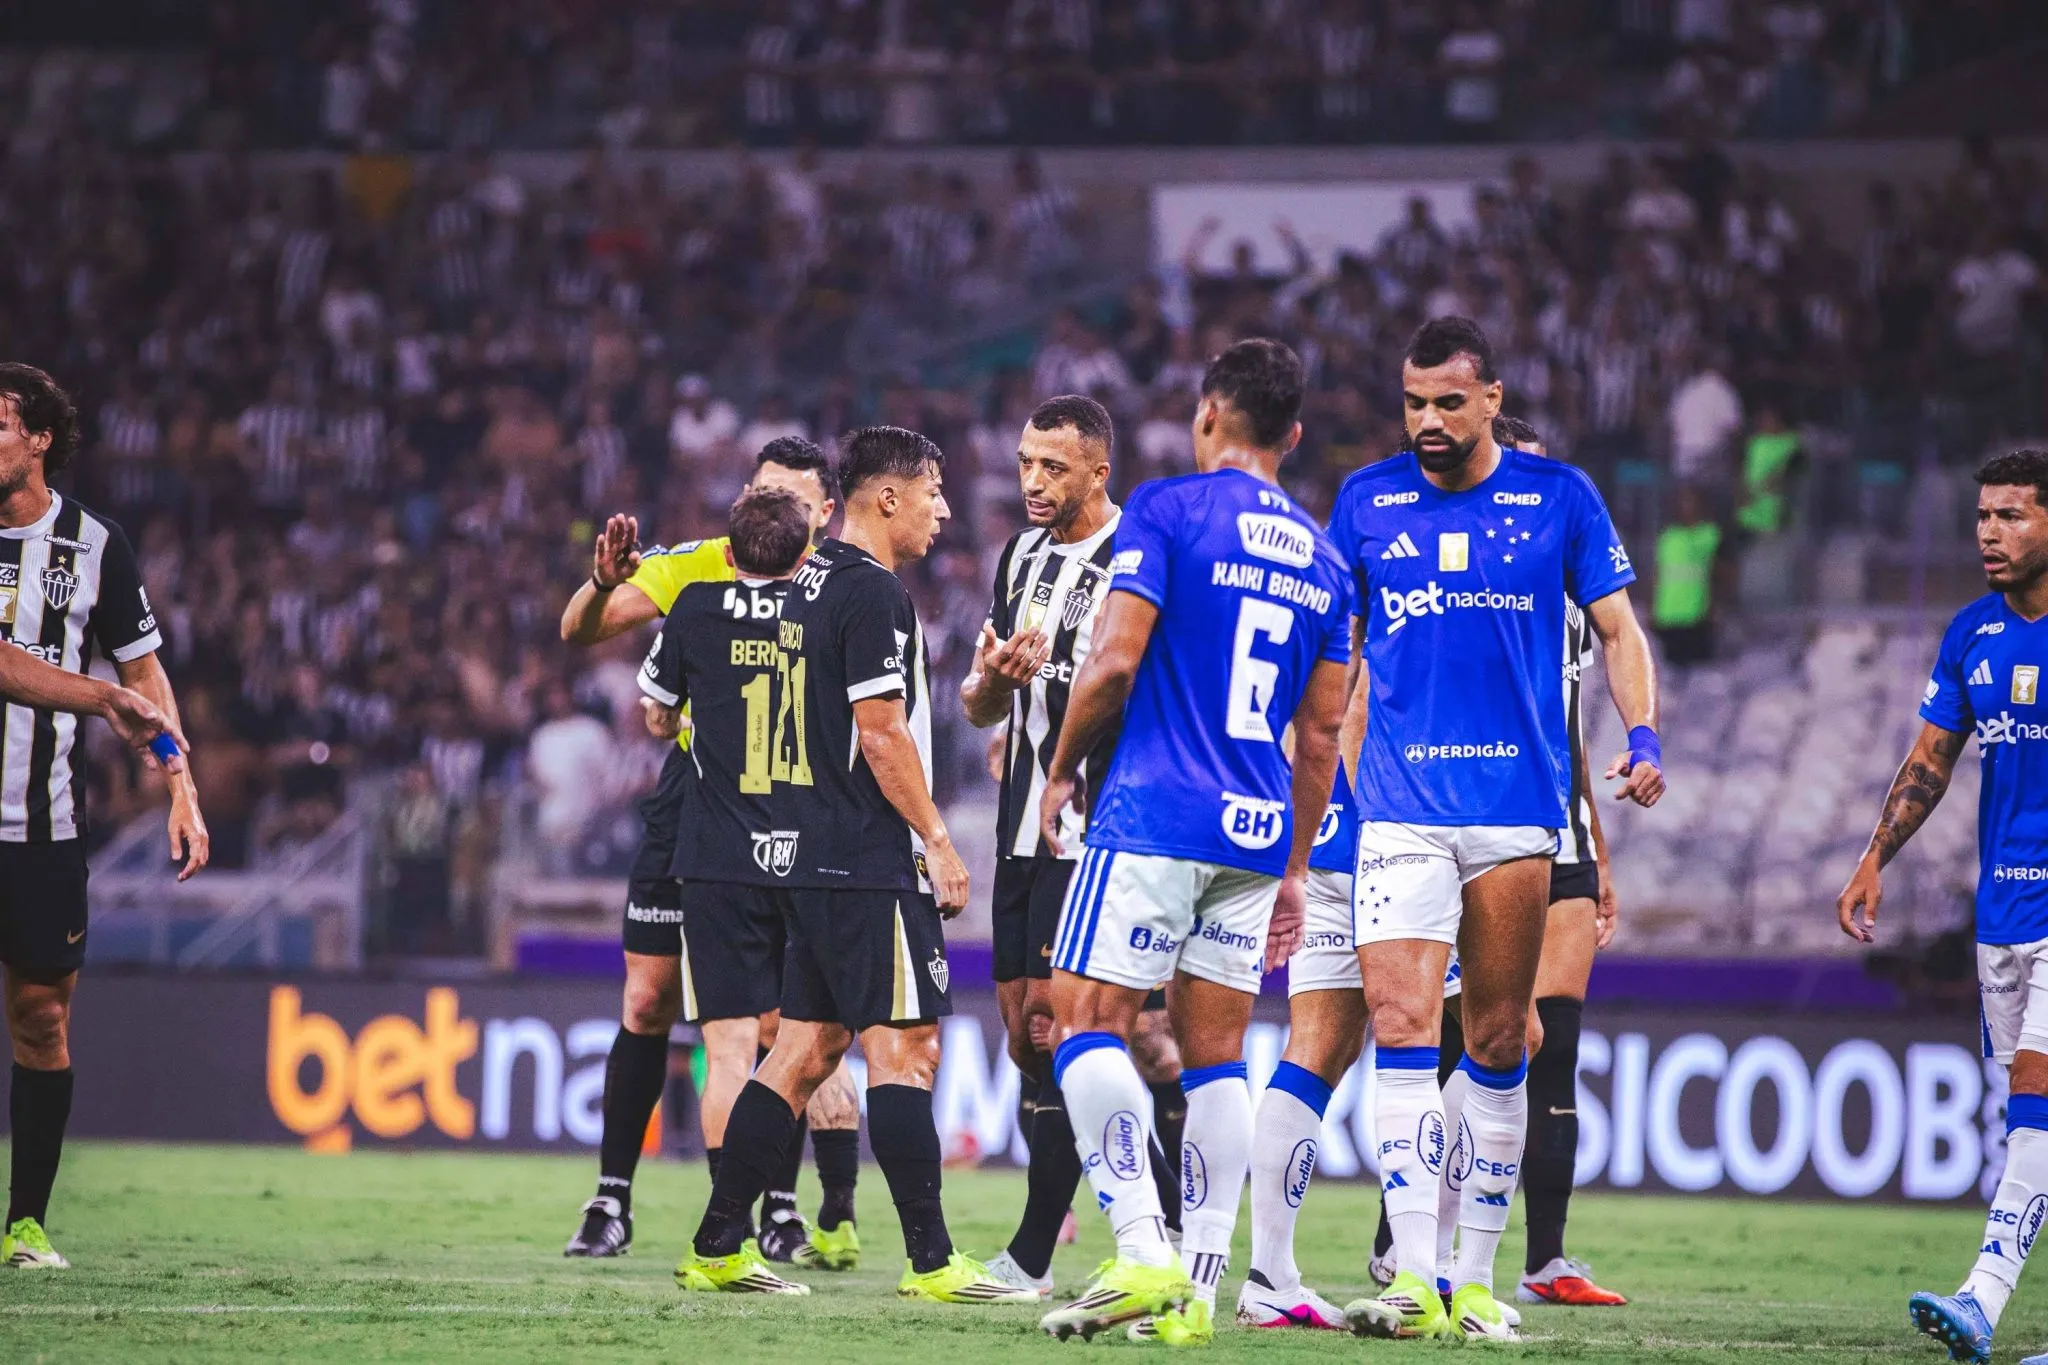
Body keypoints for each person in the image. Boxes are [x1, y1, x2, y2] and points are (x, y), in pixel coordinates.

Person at [1327, 319, 1661, 1342]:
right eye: (1412, 403)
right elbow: (1336, 658)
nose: (1427, 420)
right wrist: (1336, 788)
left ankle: (1473, 1280)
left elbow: (1618, 629)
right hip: (1399, 813)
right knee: (1400, 1028)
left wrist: (1643, 734)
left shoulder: (1560, 497)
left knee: (1500, 1039)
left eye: (1447, 402)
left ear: (1491, 399)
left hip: (1516, 814)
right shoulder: (1365, 499)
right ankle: (1410, 1276)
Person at [1034, 338, 1352, 1345]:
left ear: (1206, 414)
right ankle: (1199, 1295)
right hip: (1256, 833)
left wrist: (1057, 771)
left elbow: (1113, 662)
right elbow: (1320, 737)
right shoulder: (1327, 561)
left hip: (1154, 812)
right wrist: (1293, 866)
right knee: (1216, 1060)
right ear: (1291, 434)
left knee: (1081, 1021)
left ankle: (1141, 1249)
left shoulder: (1166, 511)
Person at [675, 426, 1032, 1304]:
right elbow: (879, 732)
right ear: (887, 497)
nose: (943, 510)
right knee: (907, 1050)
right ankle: (933, 1260)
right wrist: (936, 839)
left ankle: (718, 1244)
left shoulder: (805, 578)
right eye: (932, 493)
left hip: (809, 854)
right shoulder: (872, 592)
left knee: (802, 1051)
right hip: (869, 858)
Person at [556, 438, 860, 1263]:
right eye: (762, 491)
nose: (771, 506)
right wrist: (602, 583)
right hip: (691, 798)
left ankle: (778, 1207)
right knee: (647, 998)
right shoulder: (697, 568)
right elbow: (581, 629)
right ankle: (612, 1198)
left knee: (772, 1020)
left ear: (823, 512)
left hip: (786, 809)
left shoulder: (841, 588)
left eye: (789, 497)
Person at [1838, 449, 2048, 1365]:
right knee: (2032, 1123)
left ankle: (1981, 1298)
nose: (1990, 533)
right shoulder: (1973, 633)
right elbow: (1930, 760)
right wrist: (1873, 856)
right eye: (1984, 516)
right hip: (2003, 911)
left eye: (2013, 515)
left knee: (2037, 1097)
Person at [0, 363, 211, 1271]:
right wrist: (100, 698)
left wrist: (181, 783)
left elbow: (143, 674)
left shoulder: (94, 543)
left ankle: (24, 1224)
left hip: (42, 825)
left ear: (39, 438)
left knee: (41, 1017)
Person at [638, 483, 866, 1279]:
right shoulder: (826, 609)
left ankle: (729, 1234)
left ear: (729, 553)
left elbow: (657, 715)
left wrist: (695, 717)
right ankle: (833, 1208)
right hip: (809, 852)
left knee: (730, 1048)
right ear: (806, 554)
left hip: (719, 855)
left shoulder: (696, 607)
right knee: (813, 1042)